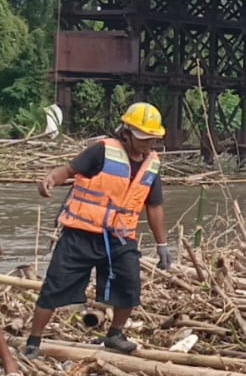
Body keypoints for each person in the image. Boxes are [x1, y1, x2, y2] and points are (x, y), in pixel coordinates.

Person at [23, 102, 172, 359]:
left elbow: (154, 206)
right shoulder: (102, 151)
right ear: (126, 132)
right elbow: (68, 171)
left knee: (129, 286)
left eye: (152, 139)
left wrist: (162, 245)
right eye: (144, 138)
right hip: (80, 233)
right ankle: (34, 340)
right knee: (54, 286)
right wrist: (50, 179)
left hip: (120, 238)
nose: (148, 144)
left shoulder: (152, 164)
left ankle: (115, 334)